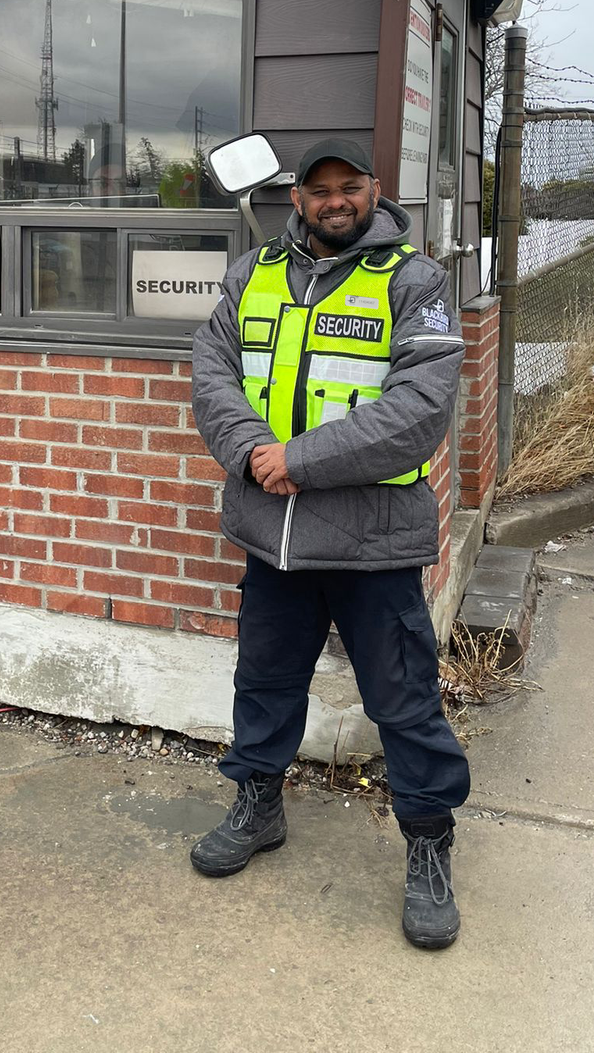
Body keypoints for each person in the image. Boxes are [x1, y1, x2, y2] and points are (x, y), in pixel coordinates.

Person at [189, 136, 469, 949]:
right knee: (265, 682)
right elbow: (213, 371)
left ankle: (428, 842)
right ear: (297, 200)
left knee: (403, 701)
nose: (336, 200)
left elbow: (419, 409)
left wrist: (298, 462)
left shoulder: (417, 283)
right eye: (320, 189)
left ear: (375, 192)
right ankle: (259, 804)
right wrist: (248, 450)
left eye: (351, 186)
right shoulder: (253, 276)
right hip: (271, 540)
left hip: (371, 545)